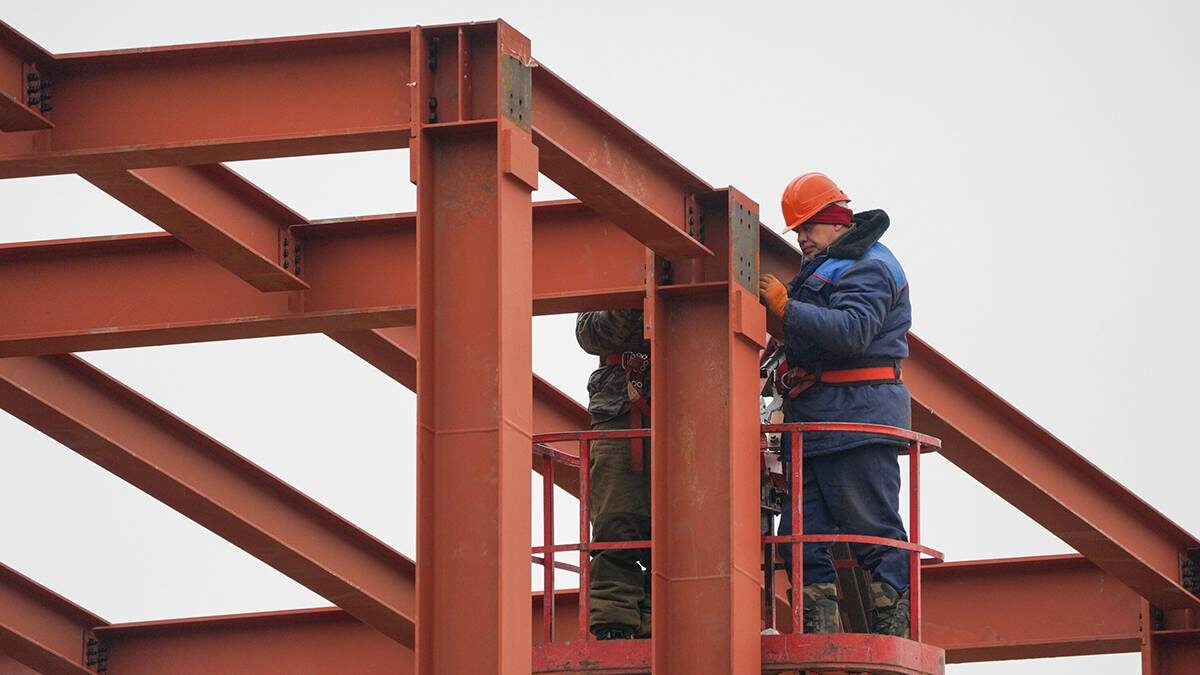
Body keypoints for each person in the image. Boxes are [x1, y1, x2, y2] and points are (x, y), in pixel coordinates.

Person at [757, 172, 913, 637]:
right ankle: (816, 625)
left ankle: (893, 620)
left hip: (858, 419)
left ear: (836, 221)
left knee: (872, 528)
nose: (801, 238)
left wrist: (788, 309)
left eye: (808, 227)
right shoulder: (831, 264)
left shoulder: (870, 267)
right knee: (801, 537)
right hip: (819, 422)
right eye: (798, 230)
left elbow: (852, 331)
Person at [575, 309, 651, 640]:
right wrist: (627, 306)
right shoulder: (610, 275)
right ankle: (614, 622)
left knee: (687, 533)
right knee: (615, 525)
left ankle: (661, 620)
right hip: (621, 415)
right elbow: (589, 334)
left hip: (693, 410)